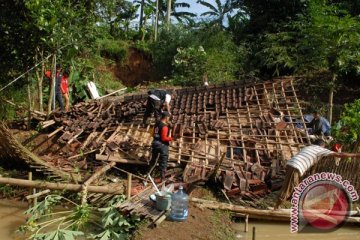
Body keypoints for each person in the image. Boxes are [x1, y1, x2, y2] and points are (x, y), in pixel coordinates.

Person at [274, 139, 360, 210]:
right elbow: (339, 154)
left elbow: (316, 157)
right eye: (324, 146)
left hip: (292, 165)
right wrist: (355, 155)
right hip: (296, 166)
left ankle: (299, 208)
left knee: (297, 189)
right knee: (288, 188)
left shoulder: (308, 148)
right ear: (322, 145)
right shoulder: (319, 149)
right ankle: (277, 207)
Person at [150, 111, 173, 181]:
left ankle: (150, 174)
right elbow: (164, 138)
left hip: (155, 143)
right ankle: (162, 178)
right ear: (166, 118)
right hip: (162, 145)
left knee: (153, 159)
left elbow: (151, 133)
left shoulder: (156, 124)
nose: (169, 119)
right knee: (163, 161)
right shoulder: (164, 127)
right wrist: (172, 138)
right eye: (169, 118)